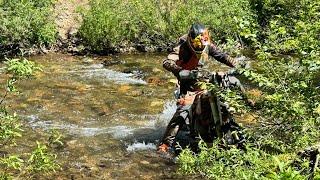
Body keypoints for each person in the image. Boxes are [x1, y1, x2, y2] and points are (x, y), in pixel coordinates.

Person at [157, 23, 245, 153]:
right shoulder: (182, 48)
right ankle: (164, 145)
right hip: (187, 83)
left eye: (202, 43)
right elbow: (167, 61)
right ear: (191, 40)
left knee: (227, 90)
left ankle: (247, 105)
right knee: (183, 111)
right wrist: (180, 70)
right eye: (197, 44)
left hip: (203, 80)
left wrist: (238, 64)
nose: (200, 46)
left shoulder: (207, 44)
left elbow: (222, 56)